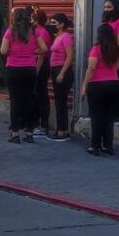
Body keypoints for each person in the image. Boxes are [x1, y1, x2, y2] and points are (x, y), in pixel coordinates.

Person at [80, 23, 119, 155]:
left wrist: (84, 85)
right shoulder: (117, 49)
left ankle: (94, 145)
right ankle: (107, 146)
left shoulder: (96, 49)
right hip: (114, 84)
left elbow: (91, 68)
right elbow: (116, 67)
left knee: (96, 116)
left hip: (97, 85)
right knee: (108, 117)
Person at [0, 7, 39, 143]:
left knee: (15, 102)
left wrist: (14, 52)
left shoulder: (10, 32)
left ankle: (15, 134)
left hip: (13, 69)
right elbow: (45, 48)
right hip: (30, 69)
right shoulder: (33, 32)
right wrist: (31, 52)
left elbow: (3, 51)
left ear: (13, 18)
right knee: (28, 101)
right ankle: (29, 133)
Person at [46, 13, 76, 141]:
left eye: (54, 22)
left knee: (61, 102)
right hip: (55, 70)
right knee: (59, 101)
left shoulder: (66, 37)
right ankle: (61, 130)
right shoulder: (57, 37)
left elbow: (70, 56)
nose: (52, 25)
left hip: (62, 70)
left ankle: (62, 131)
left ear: (62, 24)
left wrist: (62, 72)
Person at [31, 9, 56, 137]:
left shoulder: (42, 32)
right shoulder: (38, 31)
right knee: (37, 96)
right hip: (39, 65)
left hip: (42, 66)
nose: (30, 21)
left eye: (32, 19)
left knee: (41, 95)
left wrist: (36, 70)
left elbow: (42, 54)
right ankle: (37, 124)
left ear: (36, 20)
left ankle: (44, 126)